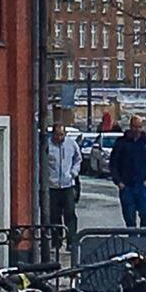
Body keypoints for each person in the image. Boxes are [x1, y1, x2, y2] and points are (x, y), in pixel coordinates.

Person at [108, 114, 146, 231]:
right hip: (127, 186)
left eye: (139, 127)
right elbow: (113, 163)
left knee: (145, 214)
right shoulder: (121, 143)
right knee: (129, 216)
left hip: (142, 185)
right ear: (130, 126)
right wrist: (119, 182)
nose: (137, 130)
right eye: (135, 127)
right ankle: (132, 239)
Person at [46, 111, 84, 260]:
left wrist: (73, 173)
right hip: (52, 186)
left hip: (68, 185)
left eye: (61, 135)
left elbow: (78, 159)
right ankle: (56, 242)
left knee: (70, 214)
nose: (59, 137)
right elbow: (40, 162)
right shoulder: (47, 145)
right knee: (54, 216)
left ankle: (71, 242)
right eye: (57, 135)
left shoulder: (71, 144)